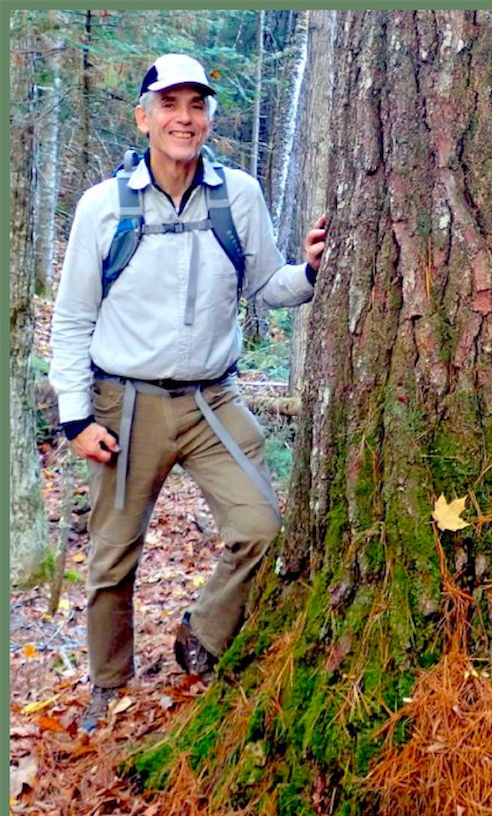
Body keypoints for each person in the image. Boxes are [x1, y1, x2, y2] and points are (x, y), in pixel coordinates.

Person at [49, 54, 327, 730]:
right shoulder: (104, 207)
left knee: (262, 526)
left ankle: (201, 634)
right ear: (144, 117)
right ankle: (109, 691)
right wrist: (75, 418)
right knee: (113, 558)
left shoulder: (239, 196)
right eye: (169, 104)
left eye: (196, 105)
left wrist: (311, 271)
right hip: (127, 404)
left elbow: (268, 286)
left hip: (212, 400)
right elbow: (72, 318)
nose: (184, 118)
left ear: (208, 119)